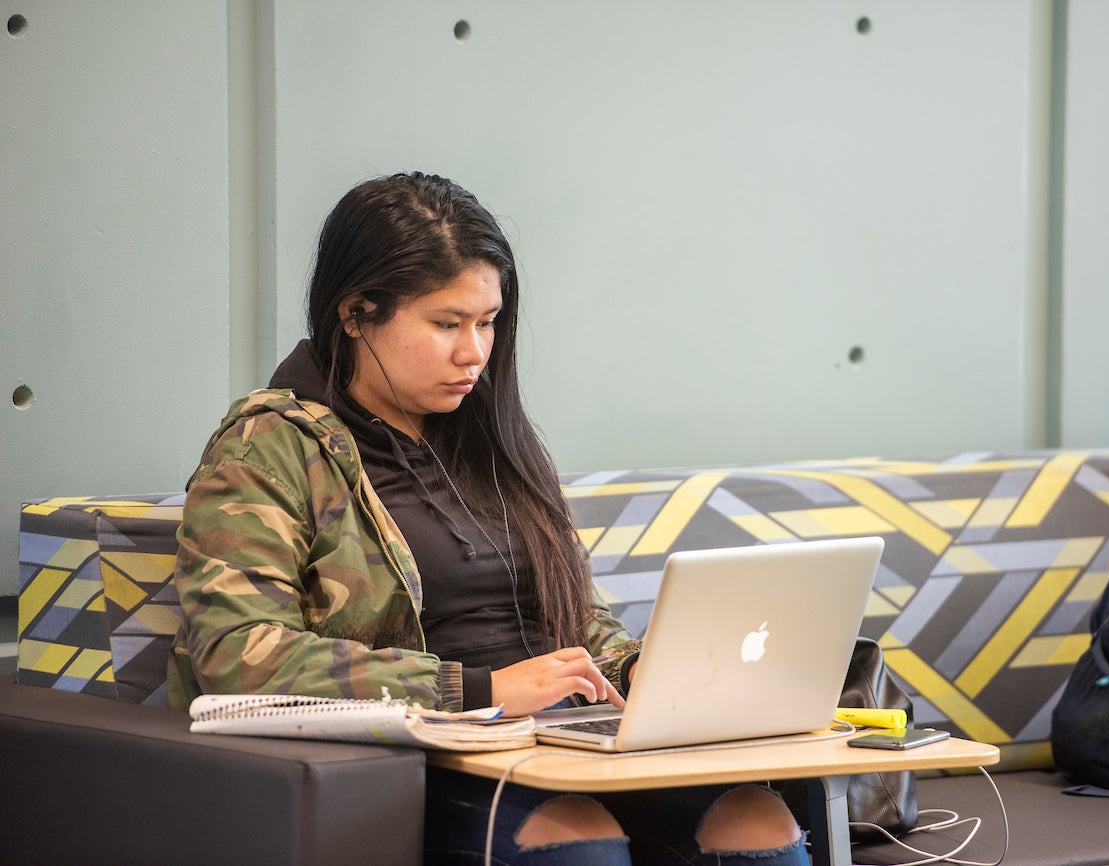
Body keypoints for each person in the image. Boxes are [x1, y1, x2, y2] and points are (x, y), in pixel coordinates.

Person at [168, 172, 809, 865]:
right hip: (423, 759)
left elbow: (574, 622)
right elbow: (237, 655)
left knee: (757, 820)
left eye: (488, 321)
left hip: (562, 746)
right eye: (446, 323)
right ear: (356, 313)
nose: (475, 352)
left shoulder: (490, 437)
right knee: (575, 838)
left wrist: (639, 673)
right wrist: (477, 689)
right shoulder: (271, 444)